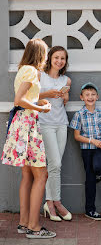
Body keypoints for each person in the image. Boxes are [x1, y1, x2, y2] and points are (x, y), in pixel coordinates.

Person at [1, 39, 56, 239]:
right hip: (28, 126)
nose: (47, 58)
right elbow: (19, 100)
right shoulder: (32, 71)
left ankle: (24, 223)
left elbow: (24, 95)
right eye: (46, 54)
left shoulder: (23, 69)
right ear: (40, 54)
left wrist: (39, 98)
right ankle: (34, 226)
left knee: (27, 176)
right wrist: (41, 107)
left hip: (20, 124)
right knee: (41, 175)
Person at [38, 46, 72, 221]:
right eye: (57, 57)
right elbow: (30, 97)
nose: (59, 61)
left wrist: (64, 98)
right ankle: (55, 203)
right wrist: (48, 93)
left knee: (55, 166)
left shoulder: (66, 80)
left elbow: (63, 104)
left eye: (63, 59)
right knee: (55, 163)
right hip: (45, 123)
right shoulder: (39, 76)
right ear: (50, 58)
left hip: (61, 124)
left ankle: (51, 202)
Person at [70, 82, 101, 220]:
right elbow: (76, 136)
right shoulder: (79, 114)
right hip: (87, 150)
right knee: (90, 179)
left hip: (100, 147)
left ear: (97, 97)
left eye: (93, 94)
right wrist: (91, 141)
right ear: (81, 97)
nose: (90, 97)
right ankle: (90, 210)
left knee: (98, 167)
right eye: (87, 95)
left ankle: (99, 174)